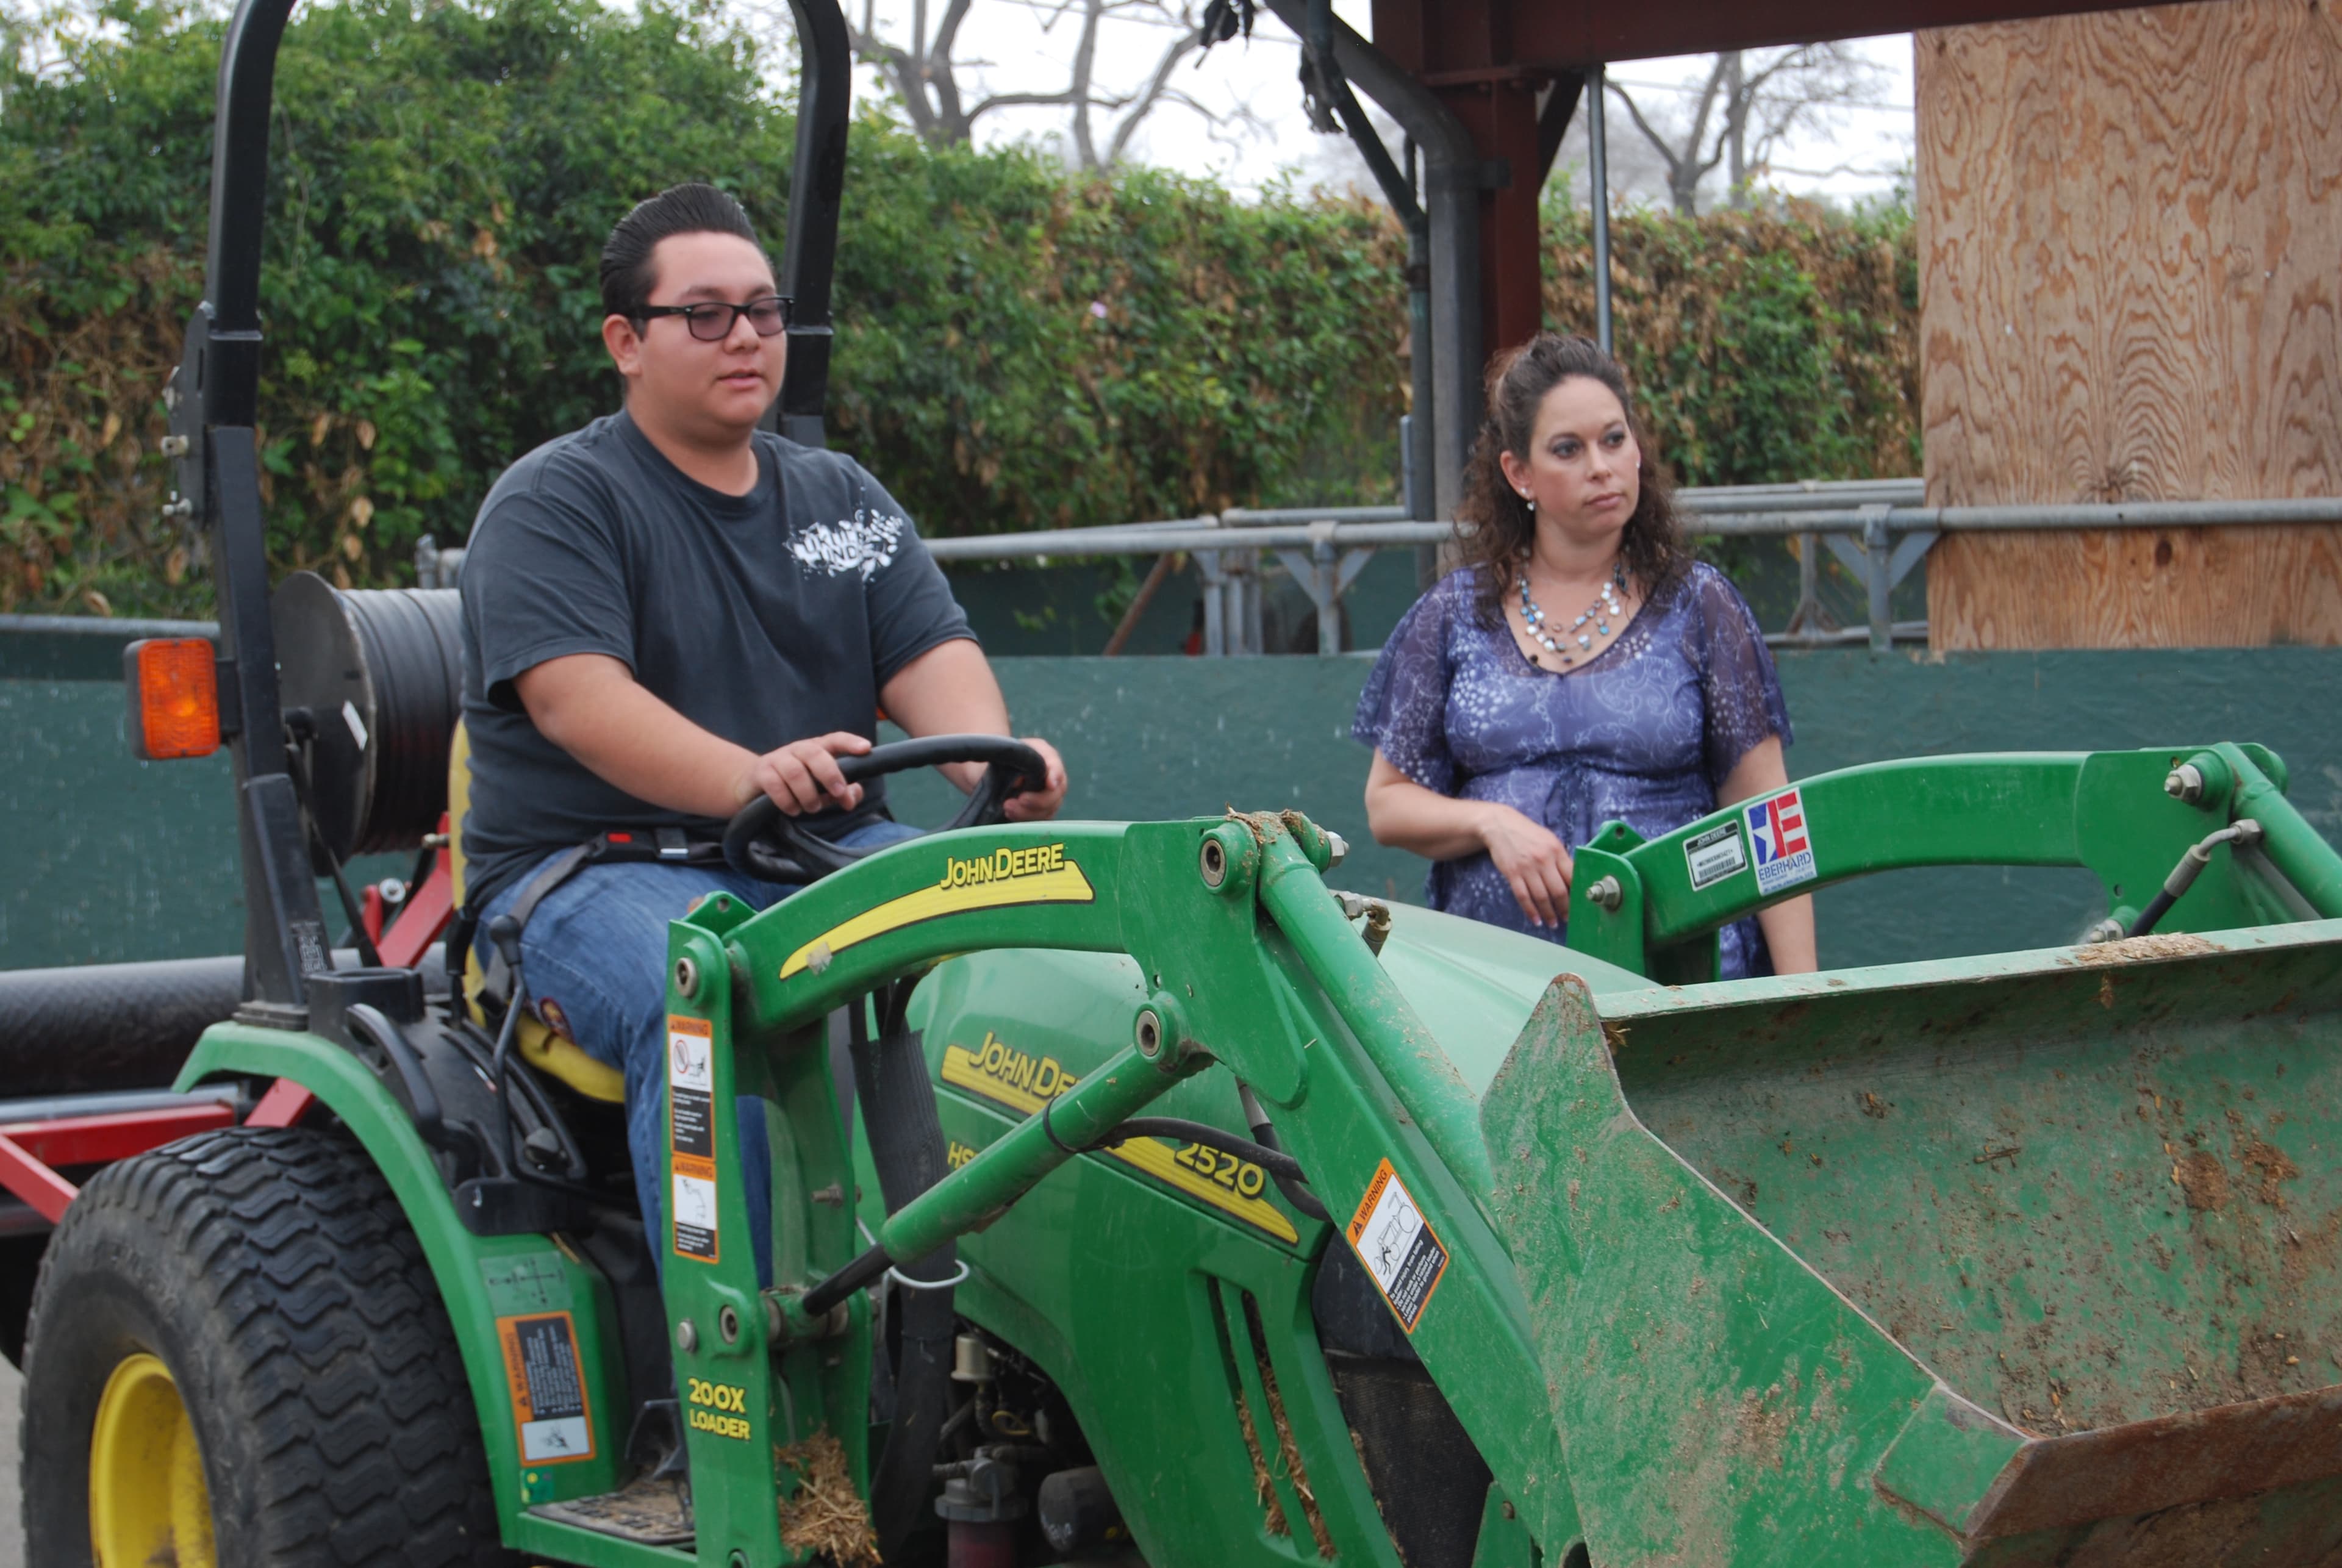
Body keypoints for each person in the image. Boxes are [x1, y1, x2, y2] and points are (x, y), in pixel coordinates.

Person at [456, 183, 1069, 1270]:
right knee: (708, 991)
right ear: (625, 342)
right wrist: (753, 774)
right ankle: (739, 1376)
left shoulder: (842, 498)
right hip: (593, 871)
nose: (743, 335)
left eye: (761, 310)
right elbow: (577, 700)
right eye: (703, 314)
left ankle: (994, 1304)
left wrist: (992, 757)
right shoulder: (556, 502)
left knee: (1024, 941)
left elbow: (936, 659)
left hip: (814, 846)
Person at [1353, 332, 1816, 977]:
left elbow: (1769, 814)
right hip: (1497, 993)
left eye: (1614, 439)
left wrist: (1800, 995)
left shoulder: (1701, 605)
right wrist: (1491, 822)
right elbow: (1387, 803)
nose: (1600, 466)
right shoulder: (1455, 613)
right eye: (1568, 449)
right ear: (1520, 474)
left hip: (1679, 985)